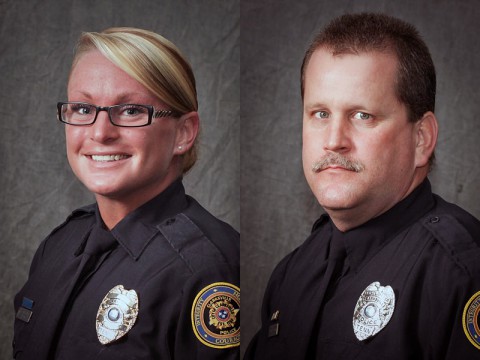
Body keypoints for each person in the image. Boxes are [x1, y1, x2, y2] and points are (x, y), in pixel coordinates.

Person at [245, 13, 480, 359]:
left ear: (421, 138)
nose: (334, 141)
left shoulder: (462, 275)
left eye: (362, 116)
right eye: (320, 114)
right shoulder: (292, 272)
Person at [13, 27, 239, 360]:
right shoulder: (57, 247)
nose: (100, 133)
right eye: (82, 109)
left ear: (183, 132)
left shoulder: (209, 270)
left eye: (131, 110)